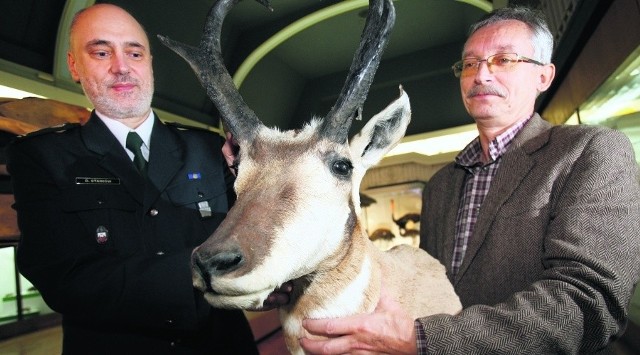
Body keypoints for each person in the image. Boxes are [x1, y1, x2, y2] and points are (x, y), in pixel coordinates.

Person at [299, 6, 640, 354]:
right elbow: (427, 279)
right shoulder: (441, 185)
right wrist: (301, 275)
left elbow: (588, 302)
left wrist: (423, 340)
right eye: (470, 63)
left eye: (505, 59)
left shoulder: (591, 151)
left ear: (544, 77)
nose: (482, 75)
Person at [6, 4, 259, 354]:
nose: (121, 67)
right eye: (100, 52)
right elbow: (61, 277)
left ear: (150, 64)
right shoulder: (43, 157)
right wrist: (191, 272)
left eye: (134, 52)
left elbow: (252, 238)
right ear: (74, 66)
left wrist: (257, 177)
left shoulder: (209, 148)